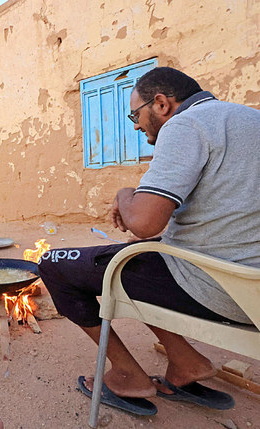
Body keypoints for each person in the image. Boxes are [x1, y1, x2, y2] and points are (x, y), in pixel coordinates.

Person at [38, 67, 259, 416]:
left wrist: (126, 193)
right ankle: (186, 363)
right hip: (252, 289)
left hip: (219, 287)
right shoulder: (248, 119)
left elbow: (142, 223)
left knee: (54, 264)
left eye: (135, 115)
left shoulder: (186, 125)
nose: (136, 126)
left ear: (161, 104)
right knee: (141, 262)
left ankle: (127, 375)